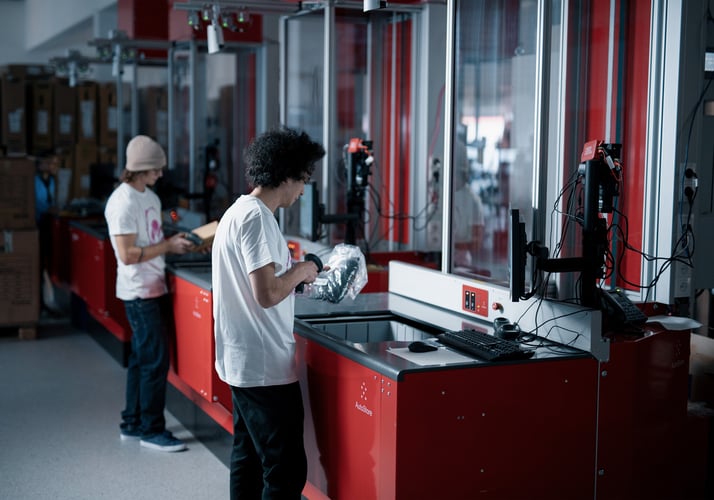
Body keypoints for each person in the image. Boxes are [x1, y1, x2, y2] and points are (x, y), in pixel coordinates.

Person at [212, 127, 326, 499]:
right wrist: (305, 269)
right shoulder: (257, 219)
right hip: (264, 369)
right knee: (286, 471)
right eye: (304, 180)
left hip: (243, 362)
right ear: (287, 175)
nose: (303, 190)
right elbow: (267, 292)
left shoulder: (237, 211)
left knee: (248, 458)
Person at [104, 135, 195, 453]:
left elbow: (153, 237)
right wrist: (168, 246)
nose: (161, 173)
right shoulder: (122, 202)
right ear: (142, 169)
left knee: (142, 359)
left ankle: (132, 422)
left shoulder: (150, 198)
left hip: (154, 285)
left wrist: (174, 240)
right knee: (155, 361)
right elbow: (127, 254)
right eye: (157, 168)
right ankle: (151, 429)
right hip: (138, 292)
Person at [35, 153, 61, 313]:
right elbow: (35, 203)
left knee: (47, 263)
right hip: (37, 223)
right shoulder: (34, 181)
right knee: (38, 264)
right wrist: (47, 209)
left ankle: (46, 302)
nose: (52, 166)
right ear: (40, 164)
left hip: (48, 224)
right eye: (49, 163)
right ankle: (39, 303)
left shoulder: (51, 180)